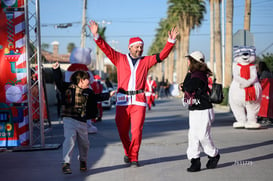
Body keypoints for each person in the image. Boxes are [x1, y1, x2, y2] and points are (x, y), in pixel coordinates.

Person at [88, 20, 178, 167]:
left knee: (136, 131)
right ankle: (128, 151)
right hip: (123, 99)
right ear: (130, 47)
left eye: (141, 47)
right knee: (122, 130)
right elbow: (106, 49)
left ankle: (134, 156)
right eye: (137, 47)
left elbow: (162, 55)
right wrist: (96, 35)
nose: (140, 49)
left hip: (139, 99)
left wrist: (171, 41)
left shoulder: (146, 60)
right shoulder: (119, 58)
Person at [52, 62, 110, 174]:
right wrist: (56, 70)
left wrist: (109, 95)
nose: (89, 81)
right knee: (70, 140)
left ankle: (83, 161)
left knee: (84, 144)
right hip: (69, 119)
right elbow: (59, 82)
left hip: (82, 121)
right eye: (87, 79)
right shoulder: (68, 87)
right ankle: (66, 163)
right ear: (81, 80)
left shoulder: (89, 91)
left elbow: (97, 97)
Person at [180, 51, 220, 172]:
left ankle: (214, 154)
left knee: (203, 135)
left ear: (194, 62)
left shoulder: (199, 74)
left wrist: (183, 85)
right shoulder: (194, 73)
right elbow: (186, 87)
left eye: (190, 60)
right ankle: (195, 161)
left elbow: (187, 86)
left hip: (204, 109)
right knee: (193, 136)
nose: (188, 62)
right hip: (194, 109)